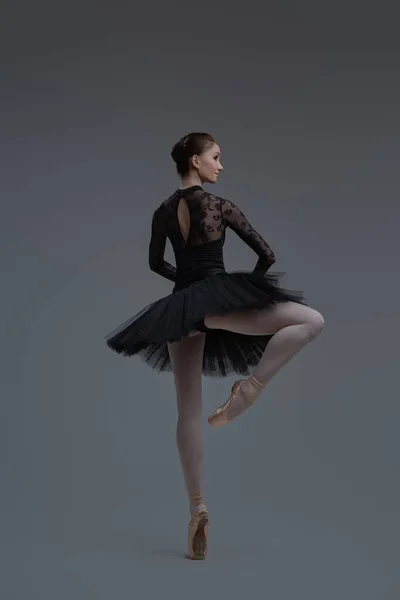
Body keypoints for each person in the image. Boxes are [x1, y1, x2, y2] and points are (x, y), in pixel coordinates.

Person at [105, 132, 324, 560]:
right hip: (213, 299)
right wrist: (239, 290)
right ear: (196, 161)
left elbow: (154, 263)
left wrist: (187, 294)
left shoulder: (163, 211)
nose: (221, 166)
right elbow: (266, 253)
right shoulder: (219, 206)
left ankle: (197, 508)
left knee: (186, 409)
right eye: (216, 158)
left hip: (183, 307)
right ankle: (249, 390)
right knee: (312, 321)